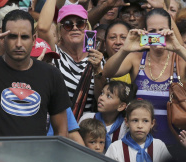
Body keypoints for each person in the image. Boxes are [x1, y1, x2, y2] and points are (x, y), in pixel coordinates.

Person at [103, 8, 186, 145]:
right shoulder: (136, 59)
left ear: (170, 30)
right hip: (141, 145)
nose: (157, 35)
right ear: (144, 31)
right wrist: (125, 49)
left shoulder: (180, 61)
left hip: (175, 144)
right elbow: (107, 72)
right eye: (152, 31)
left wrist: (178, 47)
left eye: (162, 30)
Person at [38, 3, 104, 113]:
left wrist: (97, 69)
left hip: (85, 127)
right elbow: (42, 28)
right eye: (68, 25)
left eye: (80, 24)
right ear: (60, 30)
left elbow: (100, 99)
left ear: (87, 28)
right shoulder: (53, 54)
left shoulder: (97, 58)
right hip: (57, 126)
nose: (75, 28)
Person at [79, 81, 131, 151]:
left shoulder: (124, 127)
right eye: (102, 93)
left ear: (121, 106)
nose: (101, 98)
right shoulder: (87, 118)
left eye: (109, 96)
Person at [103, 21, 132, 86]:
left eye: (123, 37)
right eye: (113, 37)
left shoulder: (138, 65)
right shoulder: (98, 65)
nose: (118, 42)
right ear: (105, 43)